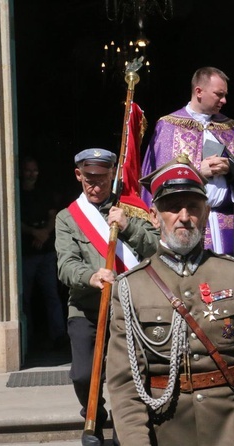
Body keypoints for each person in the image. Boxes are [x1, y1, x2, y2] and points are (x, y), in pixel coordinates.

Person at [106, 154, 234, 445]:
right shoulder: (131, 287)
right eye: (172, 208)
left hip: (233, 428)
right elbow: (124, 385)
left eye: (192, 207)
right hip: (166, 430)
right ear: (154, 216)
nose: (183, 216)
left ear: (205, 213)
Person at [55, 148, 159, 445]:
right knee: (83, 375)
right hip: (86, 309)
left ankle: (130, 430)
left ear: (113, 174)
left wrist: (127, 227)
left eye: (101, 179)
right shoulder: (67, 218)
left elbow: (157, 251)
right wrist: (91, 276)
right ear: (79, 175)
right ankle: (94, 418)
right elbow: (65, 264)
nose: (96, 186)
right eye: (89, 179)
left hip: (130, 309)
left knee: (131, 376)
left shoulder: (133, 209)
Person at [141, 66, 234, 295]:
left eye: (225, 94)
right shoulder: (168, 126)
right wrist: (198, 172)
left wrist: (233, 169)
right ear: (199, 91)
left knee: (228, 287)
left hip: (225, 221)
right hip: (188, 220)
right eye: (219, 94)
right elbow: (159, 180)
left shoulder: (230, 127)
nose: (224, 100)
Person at [19, 155, 67, 350]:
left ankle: (59, 336)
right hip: (25, 254)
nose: (32, 174)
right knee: (25, 298)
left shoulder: (44, 192)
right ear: (21, 172)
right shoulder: (15, 193)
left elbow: (52, 216)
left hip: (46, 252)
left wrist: (44, 233)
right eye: (28, 170)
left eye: (34, 170)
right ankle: (26, 340)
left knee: (51, 295)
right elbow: (12, 217)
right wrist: (33, 232)